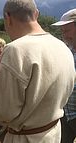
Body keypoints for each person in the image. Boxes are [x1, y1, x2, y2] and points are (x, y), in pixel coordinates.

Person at [0, 0, 76, 143]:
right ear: (36, 14)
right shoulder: (62, 47)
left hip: (25, 138)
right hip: (53, 134)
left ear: (7, 18)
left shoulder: (16, 50)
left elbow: (2, 111)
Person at [52, 8, 76, 143]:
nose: (64, 35)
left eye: (67, 30)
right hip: (65, 114)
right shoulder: (67, 52)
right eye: (62, 31)